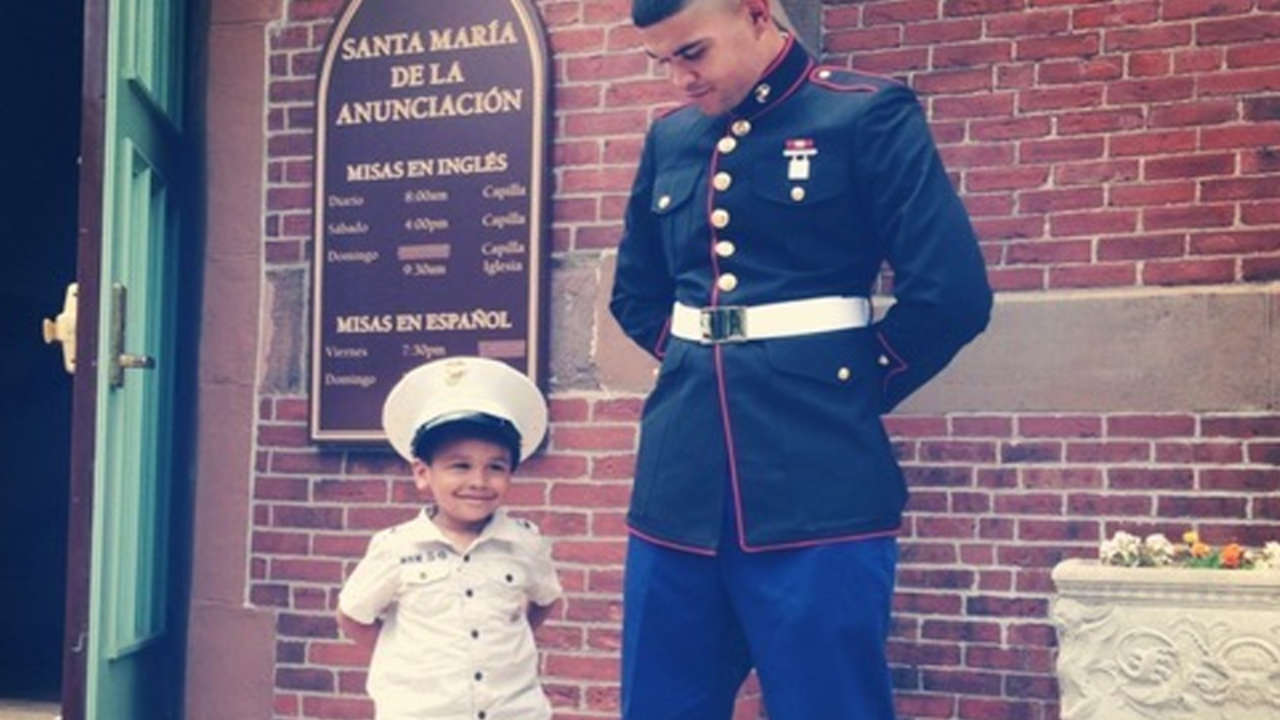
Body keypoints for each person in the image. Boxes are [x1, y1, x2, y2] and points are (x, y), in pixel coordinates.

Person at [608, 0, 994, 717]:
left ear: (757, 13)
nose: (679, 80)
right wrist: (699, 369)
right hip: (678, 486)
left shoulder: (862, 115)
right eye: (662, 62)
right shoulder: (672, 137)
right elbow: (635, 294)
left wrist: (844, 389)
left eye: (693, 53)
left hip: (819, 482)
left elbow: (951, 294)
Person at [336, 356, 562, 720]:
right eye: (460, 466)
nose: (479, 481)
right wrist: (405, 661)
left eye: (496, 467)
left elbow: (546, 599)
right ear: (423, 473)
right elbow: (353, 615)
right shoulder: (397, 548)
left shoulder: (525, 544)